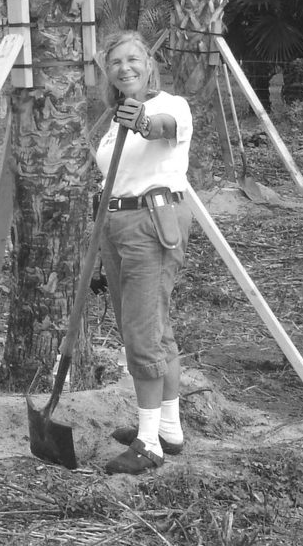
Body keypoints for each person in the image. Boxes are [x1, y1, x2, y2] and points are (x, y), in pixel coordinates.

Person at [94, 29, 193, 475]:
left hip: (151, 223)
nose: (125, 67)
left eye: (133, 59)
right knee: (153, 327)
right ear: (108, 73)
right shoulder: (112, 122)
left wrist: (143, 122)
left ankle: (148, 442)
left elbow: (164, 130)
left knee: (142, 332)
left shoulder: (168, 105)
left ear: (149, 65)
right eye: (115, 62)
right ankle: (169, 428)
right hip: (115, 225)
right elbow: (111, 180)